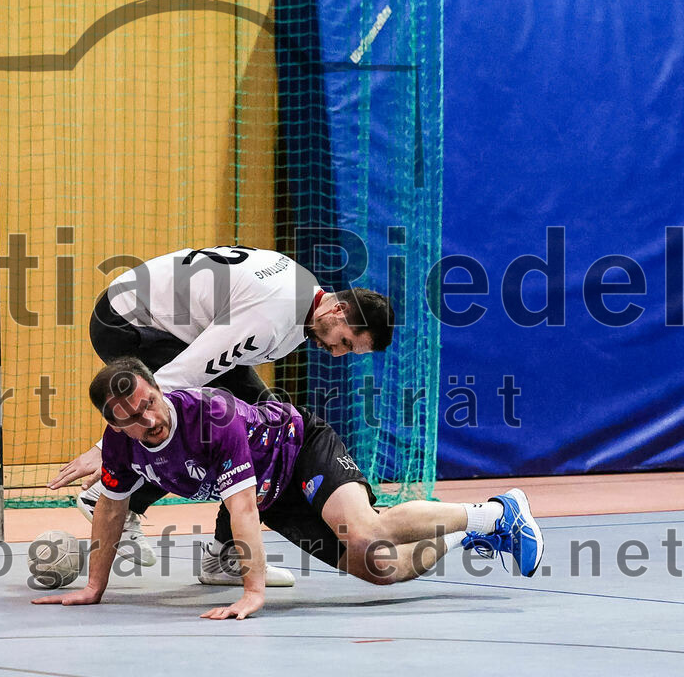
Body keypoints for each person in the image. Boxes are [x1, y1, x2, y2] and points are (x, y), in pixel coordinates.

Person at [33, 358, 544, 620]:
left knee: (367, 532)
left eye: (149, 403)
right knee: (383, 569)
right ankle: (475, 532)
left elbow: (239, 509)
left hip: (301, 449)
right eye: (132, 418)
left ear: (158, 390)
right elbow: (109, 510)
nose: (148, 419)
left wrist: (252, 591)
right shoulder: (120, 447)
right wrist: (95, 587)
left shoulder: (213, 416)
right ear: (115, 426)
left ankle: (496, 512)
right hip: (275, 497)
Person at [46, 245, 394, 586]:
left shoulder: (304, 293)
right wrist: (106, 446)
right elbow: (174, 380)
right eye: (345, 342)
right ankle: (116, 502)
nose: (337, 354)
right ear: (339, 310)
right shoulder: (270, 317)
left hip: (149, 313)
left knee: (261, 426)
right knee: (218, 427)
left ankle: (224, 553)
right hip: (129, 322)